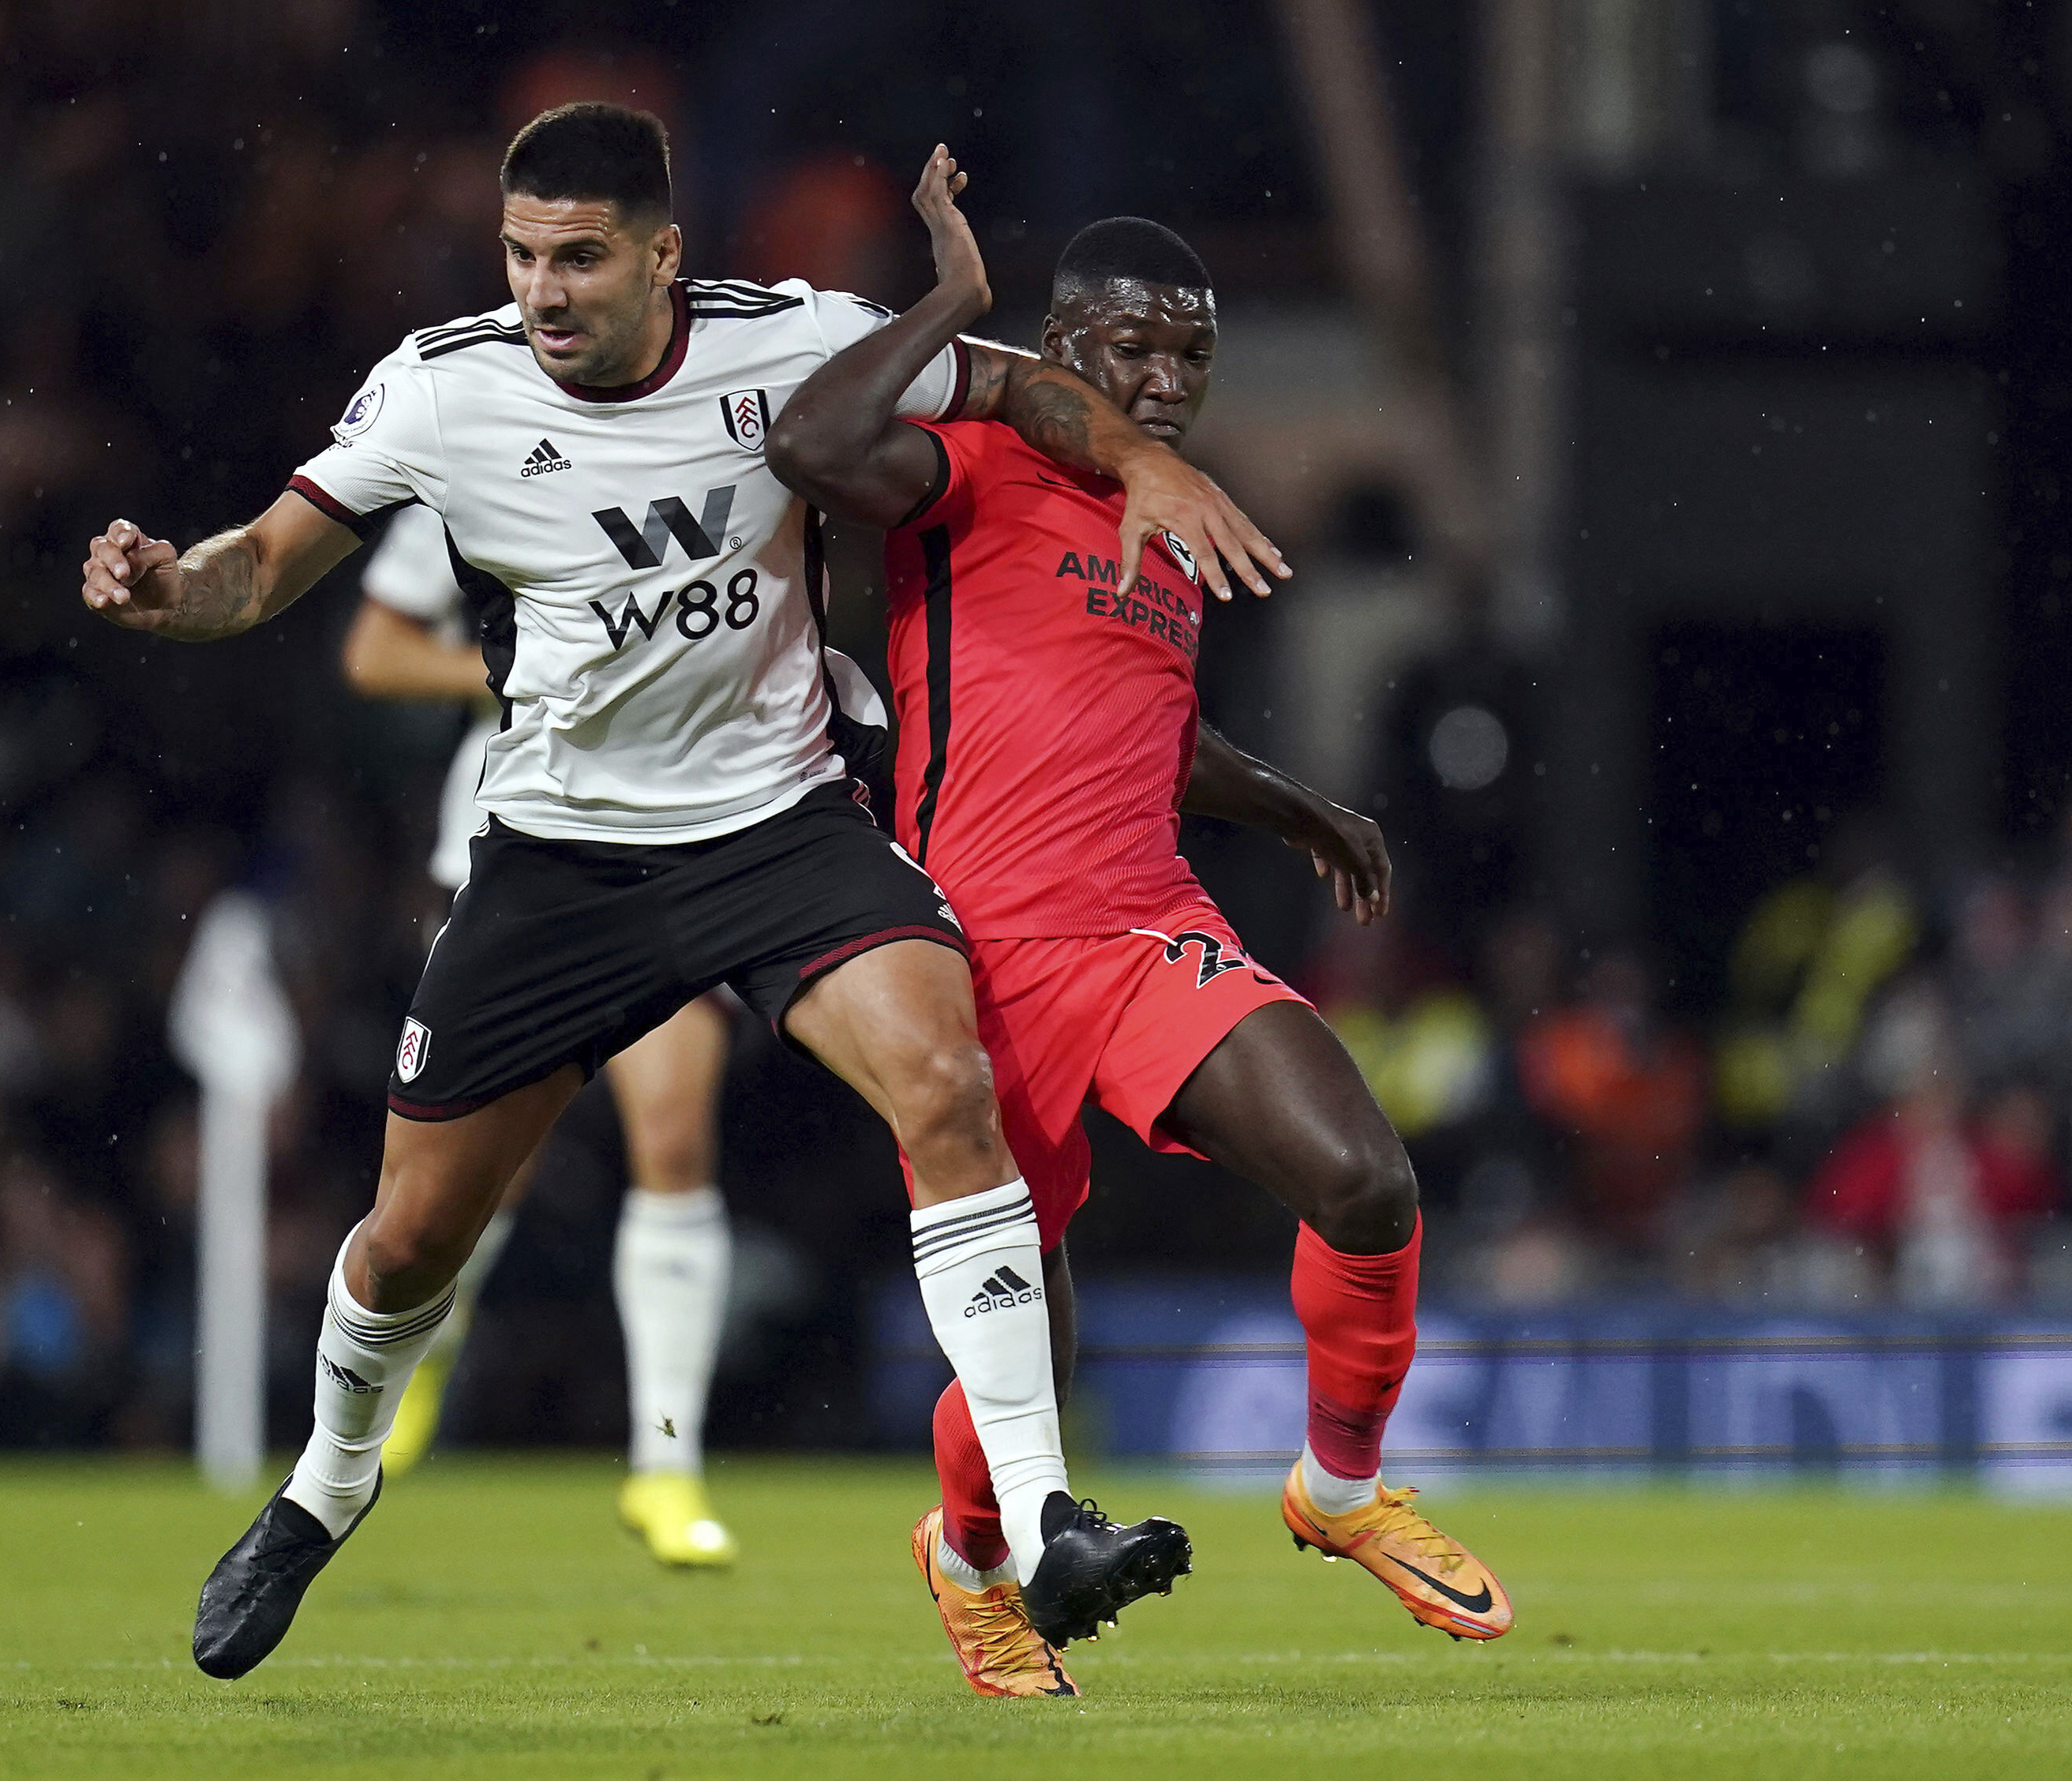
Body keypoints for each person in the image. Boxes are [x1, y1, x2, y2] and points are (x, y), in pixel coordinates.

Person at [82, 105, 1281, 1679]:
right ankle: (327, 1484)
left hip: (778, 831)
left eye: (580, 257)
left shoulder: (791, 343)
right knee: (406, 1245)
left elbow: (1016, 385)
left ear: (663, 254)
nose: (544, 291)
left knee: (944, 1077)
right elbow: (263, 566)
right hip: (559, 860)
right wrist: (174, 589)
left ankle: (1047, 1518)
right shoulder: (446, 388)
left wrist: (1131, 455)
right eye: (522, 256)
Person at [765, 153, 1512, 1697]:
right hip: (969, 956)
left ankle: (1345, 1488)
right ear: (1063, 344)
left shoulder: (1162, 514)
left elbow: (1139, 727)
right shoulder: (966, 462)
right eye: (1134, 351)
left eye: (1192, 358)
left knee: (1366, 1179)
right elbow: (814, 438)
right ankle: (970, 1563)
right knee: (1027, 1337)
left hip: (1144, 927)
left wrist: (1296, 804)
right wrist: (956, 312)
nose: (1166, 384)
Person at [342, 506, 743, 1567]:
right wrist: (518, 673)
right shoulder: (481, 469)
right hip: (511, 848)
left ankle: (669, 1468)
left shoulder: (698, 455)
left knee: (674, 1140)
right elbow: (376, 649)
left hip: (670, 843)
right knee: (480, 1178)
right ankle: (429, 1336)